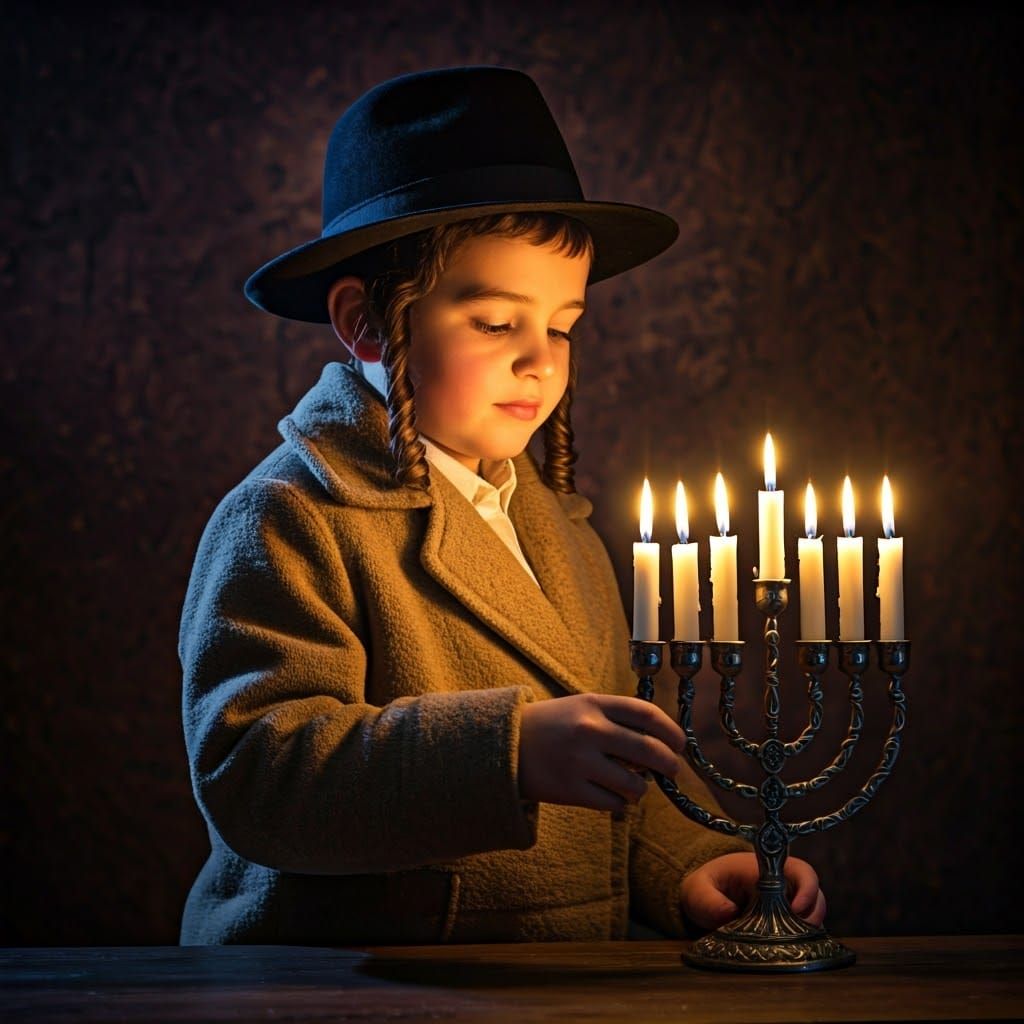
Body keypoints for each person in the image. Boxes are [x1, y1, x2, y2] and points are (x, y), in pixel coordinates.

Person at [179, 65, 825, 945]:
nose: (542, 362)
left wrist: (689, 861)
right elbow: (257, 775)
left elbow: (615, 772)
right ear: (367, 322)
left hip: (546, 984)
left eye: (563, 326)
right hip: (336, 985)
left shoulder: (560, 532)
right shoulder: (289, 518)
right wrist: (505, 752)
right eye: (494, 323)